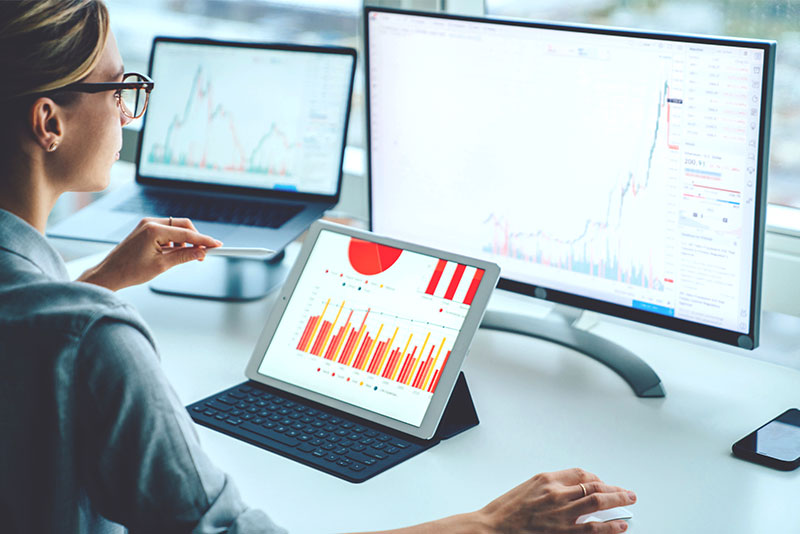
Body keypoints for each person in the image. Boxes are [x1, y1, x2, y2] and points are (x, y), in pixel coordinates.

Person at [0, 1, 636, 532]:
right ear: (48, 123)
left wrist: (95, 283)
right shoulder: (93, 340)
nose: (126, 108)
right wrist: (493, 524)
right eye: (119, 88)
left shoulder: (56, 313)